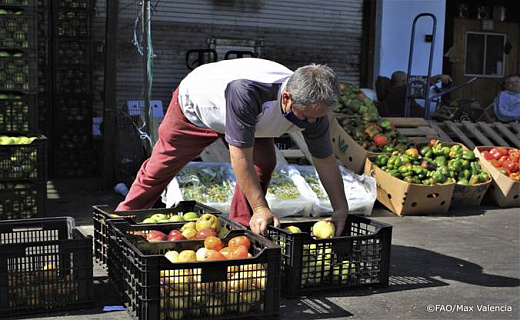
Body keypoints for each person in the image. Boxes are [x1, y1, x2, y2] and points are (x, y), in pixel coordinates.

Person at [116, 58, 350, 236]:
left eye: (316, 117)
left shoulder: (314, 110)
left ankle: (239, 229)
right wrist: (261, 206)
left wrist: (340, 208)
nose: (311, 123)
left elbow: (325, 160)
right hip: (196, 109)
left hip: (253, 120)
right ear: (286, 98)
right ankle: (120, 222)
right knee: (160, 168)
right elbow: (239, 158)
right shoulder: (247, 92)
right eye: (305, 116)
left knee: (265, 164)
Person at [384, 71, 452, 117]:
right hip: (410, 120)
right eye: (408, 80)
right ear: (404, 82)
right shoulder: (403, 90)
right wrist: (438, 77)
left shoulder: (390, 92)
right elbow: (422, 83)